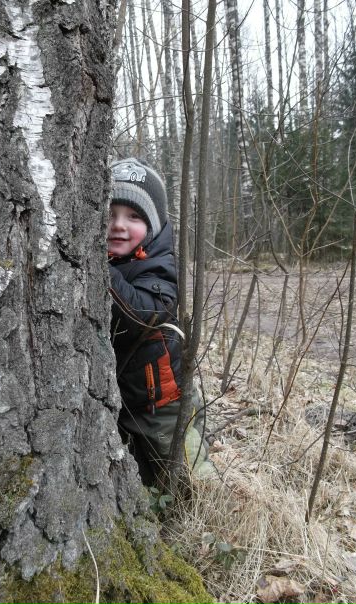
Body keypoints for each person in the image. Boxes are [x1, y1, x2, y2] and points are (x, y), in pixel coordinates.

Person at [108, 157, 213, 485]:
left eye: (134, 216)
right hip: (126, 402)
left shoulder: (159, 267)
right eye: (110, 214)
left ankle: (206, 507)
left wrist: (100, 271)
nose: (118, 225)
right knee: (140, 477)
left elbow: (142, 315)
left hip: (162, 404)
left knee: (184, 474)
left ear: (153, 225)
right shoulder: (116, 261)